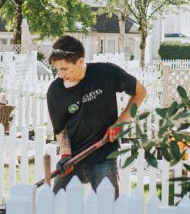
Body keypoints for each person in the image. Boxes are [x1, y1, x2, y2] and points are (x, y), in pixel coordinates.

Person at [46, 35, 147, 197]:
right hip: (74, 158)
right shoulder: (55, 91)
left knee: (108, 208)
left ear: (80, 61)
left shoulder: (106, 73)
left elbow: (140, 92)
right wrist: (65, 156)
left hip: (104, 156)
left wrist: (120, 123)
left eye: (64, 69)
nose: (60, 75)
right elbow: (60, 129)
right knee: (55, 203)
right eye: (57, 69)